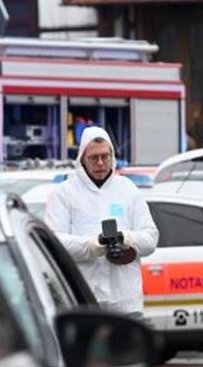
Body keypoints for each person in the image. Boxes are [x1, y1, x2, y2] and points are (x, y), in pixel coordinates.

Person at [44, 126, 160, 318]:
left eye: (105, 156)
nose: (100, 163)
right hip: (82, 301)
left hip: (125, 304)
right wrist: (91, 246)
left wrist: (126, 239)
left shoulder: (128, 189)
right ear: (82, 158)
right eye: (94, 158)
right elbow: (53, 243)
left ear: (112, 155)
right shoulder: (64, 194)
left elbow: (151, 238)